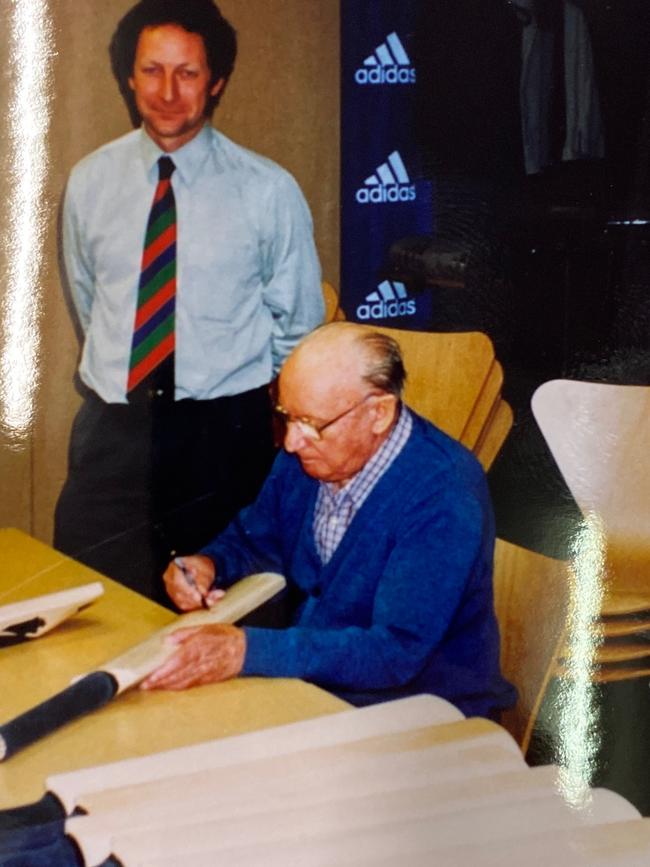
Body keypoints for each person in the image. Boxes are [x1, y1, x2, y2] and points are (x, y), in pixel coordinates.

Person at [54, 0, 323, 602]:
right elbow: (91, 301)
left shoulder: (267, 191)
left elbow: (299, 327)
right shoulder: (90, 182)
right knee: (90, 611)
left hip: (223, 441)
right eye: (152, 70)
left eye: (188, 72)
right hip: (112, 434)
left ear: (217, 81)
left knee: (220, 625)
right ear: (129, 76)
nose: (168, 91)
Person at [142, 323, 516, 719]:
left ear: (378, 413)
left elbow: (394, 652)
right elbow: (256, 543)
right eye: (286, 416)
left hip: (427, 715)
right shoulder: (307, 458)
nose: (291, 441)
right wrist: (210, 565)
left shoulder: (443, 492)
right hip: (322, 693)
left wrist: (246, 650)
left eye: (310, 424)